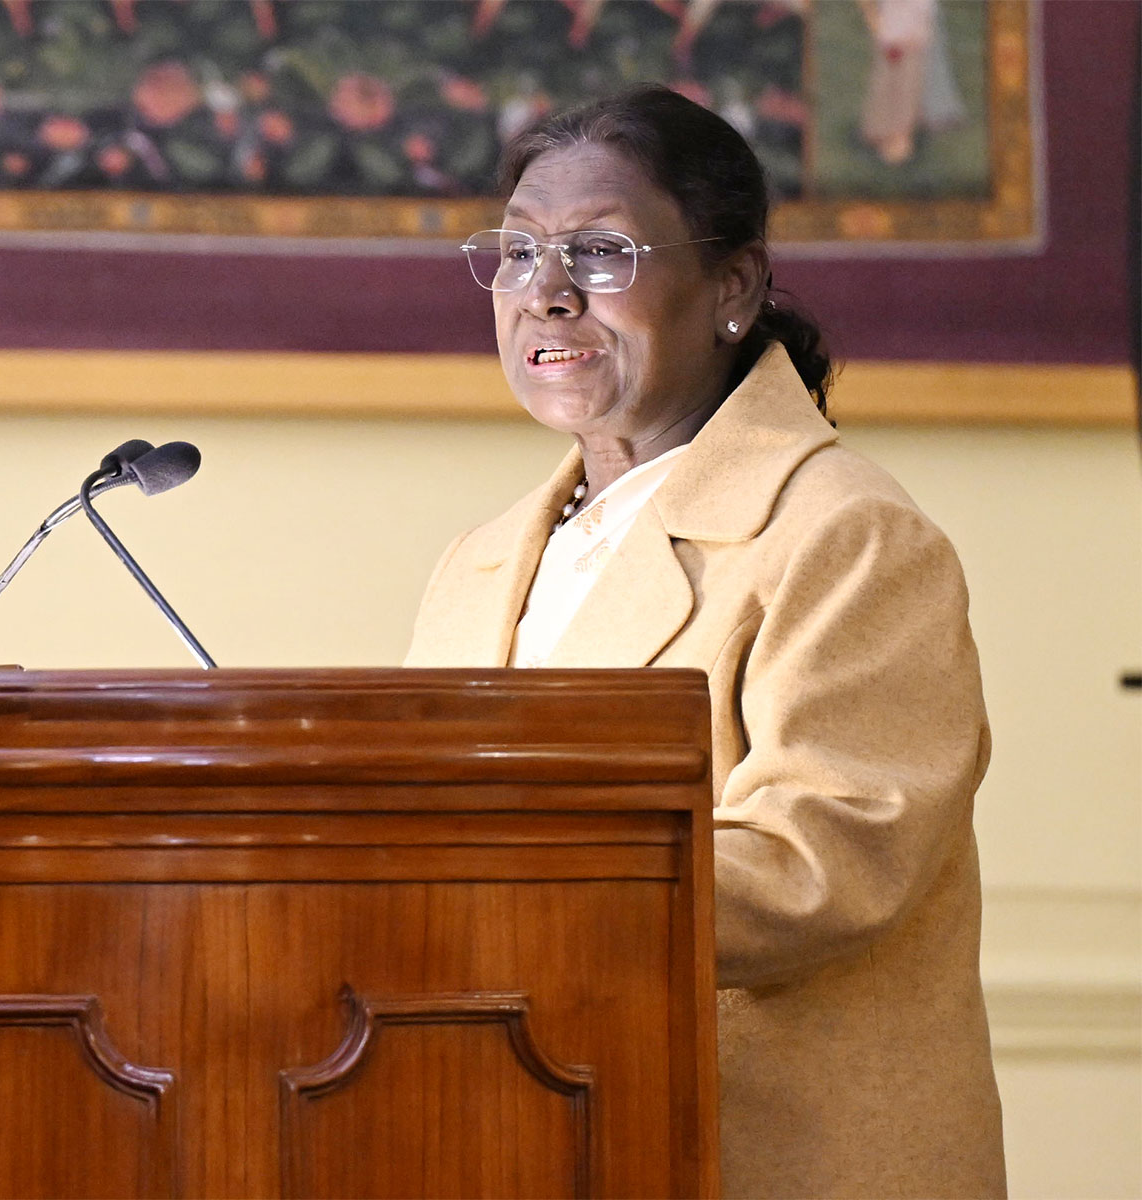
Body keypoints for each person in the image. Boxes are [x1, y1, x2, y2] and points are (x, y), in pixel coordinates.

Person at [406, 85, 1006, 1198]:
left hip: (763, 1157)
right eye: (518, 251)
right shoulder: (479, 564)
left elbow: (822, 864)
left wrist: (481, 889)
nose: (543, 293)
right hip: (521, 1143)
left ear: (730, 286)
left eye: (598, 251)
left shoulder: (848, 535)